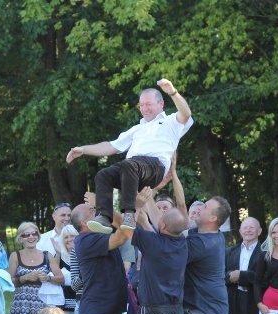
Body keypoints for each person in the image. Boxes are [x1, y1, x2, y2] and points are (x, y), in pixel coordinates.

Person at [66, 78, 193, 233]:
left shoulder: (170, 122)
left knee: (129, 165)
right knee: (104, 174)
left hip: (154, 168)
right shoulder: (137, 129)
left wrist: (172, 92)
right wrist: (84, 149)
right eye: (141, 105)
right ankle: (104, 217)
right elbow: (111, 146)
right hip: (132, 171)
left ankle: (129, 215)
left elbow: (185, 113)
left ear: (161, 104)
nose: (144, 108)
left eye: (148, 104)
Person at [7, 222, 63, 314]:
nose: (31, 237)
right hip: (23, 305)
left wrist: (47, 278)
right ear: (20, 239)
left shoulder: (47, 255)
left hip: (44, 303)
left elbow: (61, 279)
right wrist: (24, 278)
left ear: (38, 236)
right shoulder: (15, 256)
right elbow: (9, 282)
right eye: (26, 234)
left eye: (34, 233)